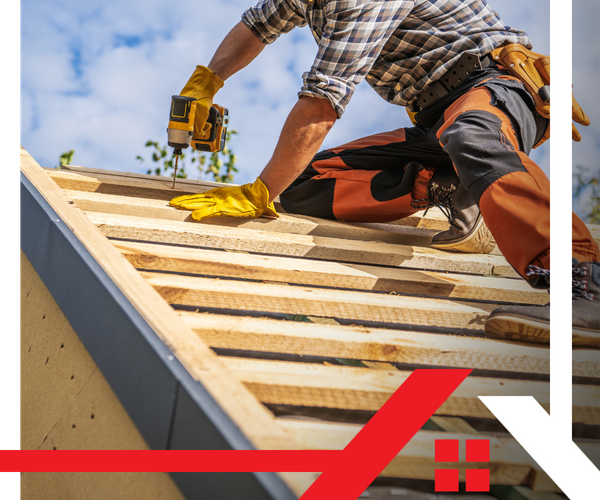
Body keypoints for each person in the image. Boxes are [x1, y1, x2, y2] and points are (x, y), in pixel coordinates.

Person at [169, 0, 600, 346]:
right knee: (304, 184)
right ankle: (451, 186)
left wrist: (258, 192)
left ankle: (584, 284)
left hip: (493, 88)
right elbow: (257, 25)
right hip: (436, 121)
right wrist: (207, 81)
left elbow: (322, 103)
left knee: (472, 136)